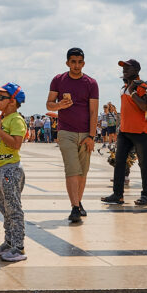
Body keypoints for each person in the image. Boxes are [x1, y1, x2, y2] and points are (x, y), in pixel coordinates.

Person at [46, 47, 98, 224]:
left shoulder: (91, 83)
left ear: (84, 63)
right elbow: (49, 104)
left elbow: (93, 111)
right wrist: (59, 105)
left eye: (79, 62)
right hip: (66, 131)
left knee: (83, 172)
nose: (76, 65)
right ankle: (75, 207)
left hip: (85, 133)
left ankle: (78, 202)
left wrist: (91, 136)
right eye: (73, 62)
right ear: (67, 62)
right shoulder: (58, 80)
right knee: (72, 169)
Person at [101, 59, 147, 206]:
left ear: (136, 70)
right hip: (125, 131)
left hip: (141, 131)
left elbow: (145, 107)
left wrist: (133, 92)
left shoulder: (142, 86)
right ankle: (117, 195)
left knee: (144, 164)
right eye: (123, 67)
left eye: (127, 67)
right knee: (119, 163)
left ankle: (146, 195)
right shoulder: (124, 87)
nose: (124, 70)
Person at [0, 82, 28, 262]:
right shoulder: (3, 119)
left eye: (1, 98)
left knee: (14, 209)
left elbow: (16, 144)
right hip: (0, 168)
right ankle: (9, 241)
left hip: (11, 169)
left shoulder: (16, 119)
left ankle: (18, 247)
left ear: (12, 101)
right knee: (4, 207)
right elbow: (2, 141)